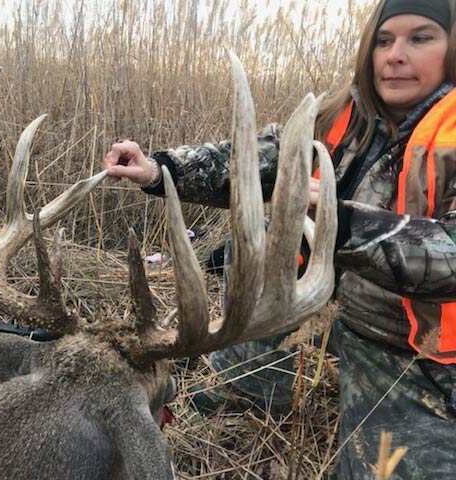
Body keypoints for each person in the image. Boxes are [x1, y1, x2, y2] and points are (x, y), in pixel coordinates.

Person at [103, 0, 456, 478]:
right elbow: (250, 160)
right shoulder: (338, 117)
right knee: (261, 233)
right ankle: (250, 384)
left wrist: (340, 220)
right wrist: (158, 168)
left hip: (413, 350)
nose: (395, 55)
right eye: (383, 40)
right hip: (313, 310)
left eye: (421, 38)